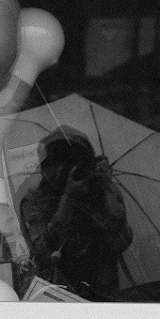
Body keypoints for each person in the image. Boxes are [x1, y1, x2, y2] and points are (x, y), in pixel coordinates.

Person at [19, 128, 133, 300]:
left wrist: (106, 188)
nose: (62, 170)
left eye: (72, 161)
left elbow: (121, 242)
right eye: (53, 162)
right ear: (43, 167)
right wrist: (69, 200)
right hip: (58, 297)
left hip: (102, 297)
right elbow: (40, 254)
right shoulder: (35, 202)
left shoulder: (101, 192)